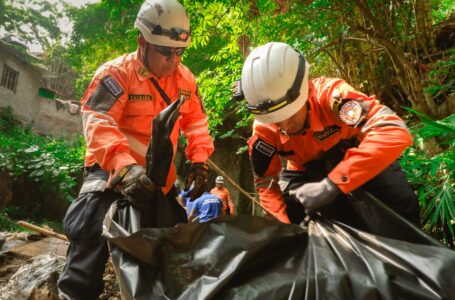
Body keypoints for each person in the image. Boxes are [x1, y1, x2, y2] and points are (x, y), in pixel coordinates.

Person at [57, 0, 214, 299]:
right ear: (142, 41)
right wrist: (125, 167)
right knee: (88, 239)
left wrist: (199, 160)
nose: (173, 60)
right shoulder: (116, 73)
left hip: (158, 182)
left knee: (174, 255)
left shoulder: (185, 80)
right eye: (165, 51)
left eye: (179, 52)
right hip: (112, 174)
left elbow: (196, 122)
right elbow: (98, 120)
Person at [235, 42, 419, 226]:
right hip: (304, 170)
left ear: (305, 93)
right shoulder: (264, 131)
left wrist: (331, 185)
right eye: (275, 120)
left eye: (290, 115)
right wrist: (282, 228)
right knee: (292, 210)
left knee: (400, 203)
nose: (285, 125)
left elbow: (393, 130)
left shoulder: (334, 98)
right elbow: (266, 183)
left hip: (356, 154)